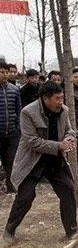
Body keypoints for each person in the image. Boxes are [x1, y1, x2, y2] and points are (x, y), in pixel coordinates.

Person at [2, 81, 77, 248]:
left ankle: (72, 232)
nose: (60, 102)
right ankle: (9, 231)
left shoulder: (64, 110)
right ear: (45, 98)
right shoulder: (27, 112)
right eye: (57, 99)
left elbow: (70, 130)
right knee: (26, 197)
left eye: (62, 98)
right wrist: (59, 146)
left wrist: (69, 139)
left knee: (68, 188)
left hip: (54, 160)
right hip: (32, 161)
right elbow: (32, 141)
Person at [0, 62, 21, 193]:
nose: (5, 75)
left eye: (6, 72)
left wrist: (18, 128)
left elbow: (19, 110)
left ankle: (11, 185)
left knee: (11, 160)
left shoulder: (15, 90)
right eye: (2, 72)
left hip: (12, 132)